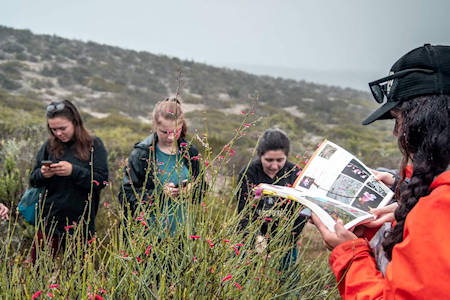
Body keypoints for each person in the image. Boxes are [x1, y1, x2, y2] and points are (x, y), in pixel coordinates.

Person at [312, 44, 450, 299]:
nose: (397, 132)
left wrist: (351, 256)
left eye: (399, 118)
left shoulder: (440, 207)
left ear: (425, 121)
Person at [29, 99, 109, 261]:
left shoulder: (93, 145)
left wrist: (73, 171)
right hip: (49, 222)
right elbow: (33, 180)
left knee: (79, 274)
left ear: (75, 122)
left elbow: (101, 181)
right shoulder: (49, 146)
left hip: (81, 224)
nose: (58, 133)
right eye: (53, 129)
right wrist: (43, 174)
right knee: (37, 270)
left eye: (62, 128)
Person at [119, 97, 204, 235]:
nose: (171, 137)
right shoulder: (141, 154)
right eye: (165, 132)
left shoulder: (190, 151)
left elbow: (202, 188)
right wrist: (159, 195)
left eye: (175, 131)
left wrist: (190, 190)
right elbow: (125, 195)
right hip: (147, 237)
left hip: (182, 237)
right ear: (155, 126)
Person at [237, 128, 307, 268]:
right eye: (269, 160)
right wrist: (257, 241)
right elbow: (243, 212)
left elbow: (301, 213)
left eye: (280, 160)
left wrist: (283, 243)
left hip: (285, 242)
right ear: (260, 155)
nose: (274, 166)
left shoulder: (296, 173)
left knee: (286, 282)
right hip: (251, 238)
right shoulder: (248, 173)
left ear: (286, 156)